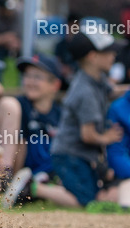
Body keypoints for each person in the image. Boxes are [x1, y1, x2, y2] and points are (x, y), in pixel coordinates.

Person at [38, 31, 124, 208]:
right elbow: (88, 135)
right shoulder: (86, 92)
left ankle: (52, 185)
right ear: (93, 57)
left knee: (90, 192)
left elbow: (113, 91)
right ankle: (35, 188)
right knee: (85, 201)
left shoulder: (96, 79)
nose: (113, 56)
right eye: (108, 52)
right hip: (70, 155)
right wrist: (106, 138)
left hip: (79, 155)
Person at [0, 55, 65, 209]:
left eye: (37, 77)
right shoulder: (19, 106)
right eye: (27, 76)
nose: (30, 81)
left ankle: (40, 186)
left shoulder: (60, 114)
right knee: (24, 140)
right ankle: (17, 184)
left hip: (50, 172)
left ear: (54, 85)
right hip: (23, 169)